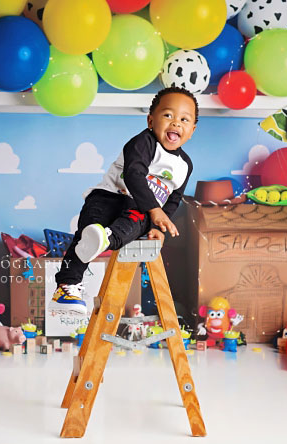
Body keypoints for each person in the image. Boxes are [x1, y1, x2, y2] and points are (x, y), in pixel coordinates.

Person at [52, 87, 197, 313]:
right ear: (151, 120)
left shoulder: (184, 165)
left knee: (134, 223)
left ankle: (106, 238)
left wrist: (160, 222)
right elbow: (133, 175)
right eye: (168, 115)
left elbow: (173, 198)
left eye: (184, 119)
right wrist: (154, 209)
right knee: (86, 233)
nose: (176, 123)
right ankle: (67, 286)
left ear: (191, 130)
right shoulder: (144, 142)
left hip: (139, 211)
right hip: (108, 197)